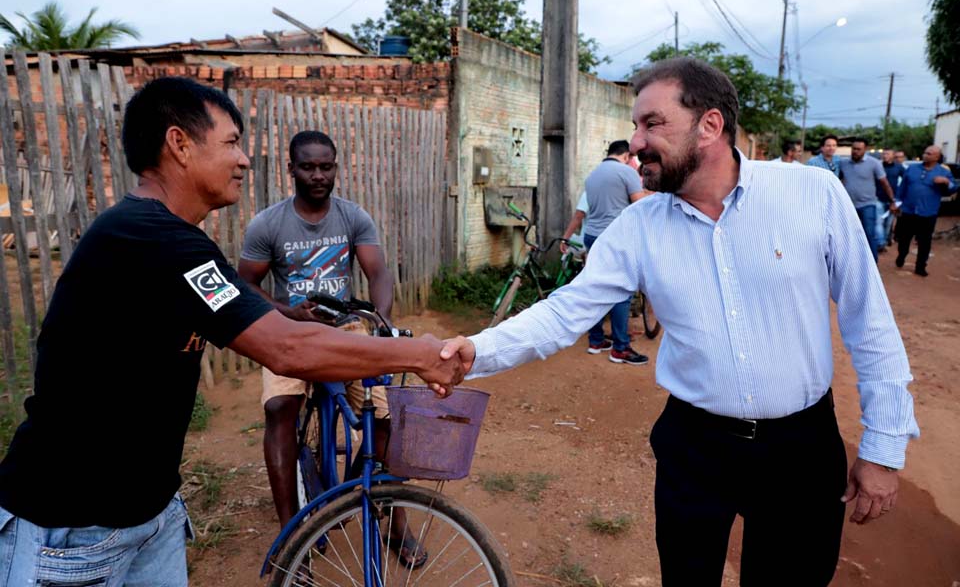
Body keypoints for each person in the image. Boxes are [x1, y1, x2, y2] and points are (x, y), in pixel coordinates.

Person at [440, 58, 918, 586]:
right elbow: (564, 311)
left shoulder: (812, 195)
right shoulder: (639, 225)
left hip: (800, 452)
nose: (636, 141)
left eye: (652, 123)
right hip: (695, 448)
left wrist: (883, 448)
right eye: (635, 126)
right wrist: (476, 351)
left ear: (709, 125)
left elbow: (868, 321)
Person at [0, 78, 463, 585]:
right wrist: (415, 353)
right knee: (281, 408)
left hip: (150, 516)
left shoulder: (175, 241)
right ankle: (296, 533)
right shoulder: (149, 238)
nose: (244, 160)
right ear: (179, 144)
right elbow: (285, 347)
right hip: (73, 527)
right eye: (231, 143)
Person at [238, 130, 425, 567]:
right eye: (308, 167)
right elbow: (245, 283)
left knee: (386, 412)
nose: (318, 175)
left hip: (347, 329)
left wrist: (380, 319)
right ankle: (293, 532)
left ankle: (391, 516)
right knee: (279, 408)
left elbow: (377, 272)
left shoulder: (353, 216)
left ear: (336, 167)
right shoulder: (268, 223)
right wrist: (289, 311)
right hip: (289, 330)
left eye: (327, 166)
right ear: (292, 170)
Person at [582, 140, 648, 365]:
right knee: (622, 290)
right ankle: (620, 348)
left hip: (592, 236)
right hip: (615, 237)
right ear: (627, 155)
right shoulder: (626, 173)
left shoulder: (592, 175)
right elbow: (641, 207)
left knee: (596, 286)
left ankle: (596, 340)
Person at [895, 144, 958, 277]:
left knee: (924, 241)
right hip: (908, 211)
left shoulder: (943, 172)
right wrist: (897, 203)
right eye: (925, 153)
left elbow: (953, 188)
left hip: (928, 212)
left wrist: (946, 182)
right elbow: (902, 187)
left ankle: (920, 266)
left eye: (929, 154)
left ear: (936, 157)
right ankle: (902, 255)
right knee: (904, 239)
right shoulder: (912, 169)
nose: (925, 155)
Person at [838, 138, 897, 262]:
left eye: (859, 149)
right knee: (848, 235)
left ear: (865, 150)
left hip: (867, 205)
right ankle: (852, 262)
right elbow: (839, 180)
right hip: (848, 206)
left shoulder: (874, 163)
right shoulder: (843, 163)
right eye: (853, 149)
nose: (855, 151)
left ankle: (872, 263)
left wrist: (892, 201)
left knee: (869, 234)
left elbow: (884, 183)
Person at [877, 149, 905, 248]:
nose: (885, 155)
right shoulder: (878, 166)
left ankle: (884, 240)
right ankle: (881, 243)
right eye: (883, 153)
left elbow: (906, 181)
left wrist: (901, 197)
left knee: (888, 224)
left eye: (887, 154)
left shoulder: (899, 167)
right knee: (878, 222)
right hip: (878, 198)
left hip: (894, 200)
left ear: (893, 155)